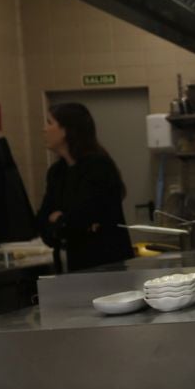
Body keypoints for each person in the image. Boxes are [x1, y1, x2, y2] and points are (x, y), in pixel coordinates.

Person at [37, 102, 131, 271]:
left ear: (67, 130)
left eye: (50, 123)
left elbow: (82, 218)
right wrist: (60, 224)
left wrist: (59, 220)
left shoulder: (98, 167)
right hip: (68, 266)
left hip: (103, 265)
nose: (44, 129)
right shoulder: (56, 172)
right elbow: (43, 222)